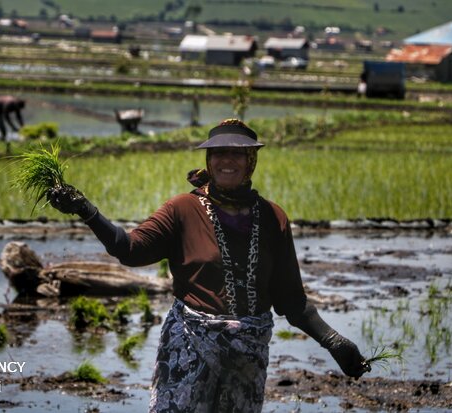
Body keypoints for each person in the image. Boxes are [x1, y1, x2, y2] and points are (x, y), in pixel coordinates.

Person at [46, 118, 370, 412]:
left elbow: (291, 300)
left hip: (247, 360)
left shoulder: (273, 218)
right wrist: (87, 211)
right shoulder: (183, 210)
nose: (227, 160)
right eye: (218, 153)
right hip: (189, 349)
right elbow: (129, 249)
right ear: (209, 161)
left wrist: (334, 342)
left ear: (251, 162)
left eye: (237, 154)